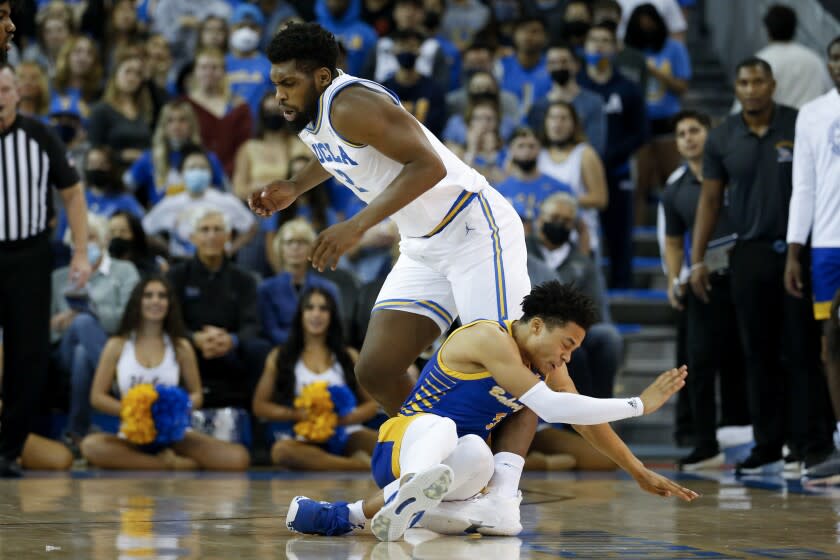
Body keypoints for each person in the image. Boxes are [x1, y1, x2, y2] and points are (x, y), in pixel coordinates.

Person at [251, 22, 534, 531]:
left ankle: (502, 495)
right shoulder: (315, 113)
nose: (278, 95)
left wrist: (357, 225)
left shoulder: (351, 102)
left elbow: (429, 166)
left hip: (474, 230)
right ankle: (442, 474)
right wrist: (295, 186)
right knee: (378, 369)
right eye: (274, 84)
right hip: (425, 246)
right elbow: (340, 152)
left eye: (287, 84)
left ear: (321, 76)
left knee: (513, 363)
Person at [285, 282, 698, 542]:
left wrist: (638, 471)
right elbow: (554, 405)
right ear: (536, 326)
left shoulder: (546, 364)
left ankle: (452, 507)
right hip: (402, 445)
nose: (567, 356)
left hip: (453, 472)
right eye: (567, 344)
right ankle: (389, 501)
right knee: (448, 426)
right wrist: (638, 404)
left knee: (480, 453)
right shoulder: (489, 337)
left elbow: (579, 417)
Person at [691, 57, 834, 474]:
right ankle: (769, 443)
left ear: (772, 85)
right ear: (736, 88)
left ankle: (813, 443)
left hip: (799, 249)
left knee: (804, 349)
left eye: (758, 81)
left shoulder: (800, 122)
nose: (751, 88)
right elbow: (711, 200)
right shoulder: (722, 137)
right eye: (744, 82)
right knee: (757, 353)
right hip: (748, 253)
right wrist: (697, 259)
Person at [0, 56, 91, 479]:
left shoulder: (40, 135)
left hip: (29, 254)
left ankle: (10, 449)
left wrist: (80, 251)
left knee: (29, 352)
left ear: (18, 92)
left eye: (4, 90)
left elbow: (72, 194)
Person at [80, 276, 250, 471]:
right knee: (91, 446)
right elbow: (97, 397)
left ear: (170, 303)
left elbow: (197, 395)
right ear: (138, 301)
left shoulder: (181, 346)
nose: (155, 301)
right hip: (133, 433)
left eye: (162, 296)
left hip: (174, 434)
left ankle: (151, 462)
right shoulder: (117, 345)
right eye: (148, 295)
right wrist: (135, 412)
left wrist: (174, 410)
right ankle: (169, 465)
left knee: (239, 458)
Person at [662, 110, 748, 470]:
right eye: (681, 133)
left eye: (695, 130)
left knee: (756, 357)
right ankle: (705, 443)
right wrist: (672, 278)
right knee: (698, 364)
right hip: (702, 280)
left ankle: (771, 439)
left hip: (744, 272)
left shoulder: (735, 173)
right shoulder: (674, 189)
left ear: (709, 133)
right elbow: (672, 241)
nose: (688, 138)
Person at [785, 36, 840, 479]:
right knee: (831, 346)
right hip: (826, 245)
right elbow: (803, 186)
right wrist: (793, 249)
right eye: (835, 56)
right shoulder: (813, 113)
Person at [253, 287, 379, 470]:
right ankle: (355, 466)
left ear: (332, 315)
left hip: (347, 432)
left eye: (323, 309)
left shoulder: (348, 355)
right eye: (310, 308)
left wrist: (337, 420)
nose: (316, 314)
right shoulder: (281, 355)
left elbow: (371, 405)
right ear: (301, 314)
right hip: (305, 436)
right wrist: (298, 414)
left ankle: (330, 463)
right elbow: (260, 406)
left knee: (387, 444)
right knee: (281, 451)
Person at [51, 212, 140, 447]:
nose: (83, 244)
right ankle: (116, 381)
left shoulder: (125, 271)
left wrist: (90, 311)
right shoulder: (58, 278)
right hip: (63, 352)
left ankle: (77, 431)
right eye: (76, 239)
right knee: (79, 330)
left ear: (104, 241)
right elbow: (46, 329)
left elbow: (128, 320)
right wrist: (60, 324)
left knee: (83, 350)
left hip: (114, 347)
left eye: (89, 237)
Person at [167, 208, 270, 409]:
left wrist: (231, 340)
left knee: (259, 348)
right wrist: (194, 338)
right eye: (204, 230)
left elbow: (252, 324)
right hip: (190, 349)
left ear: (228, 236)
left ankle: (258, 418)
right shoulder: (175, 277)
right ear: (192, 237)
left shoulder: (245, 280)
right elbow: (170, 321)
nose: (211, 236)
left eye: (217, 230)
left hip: (231, 351)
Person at [578, 22, 648, 289]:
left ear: (615, 48)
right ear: (584, 48)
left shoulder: (629, 88)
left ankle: (622, 286)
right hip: (581, 173)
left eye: (605, 40)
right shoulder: (578, 86)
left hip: (617, 171)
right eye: (593, 39)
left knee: (620, 233)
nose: (599, 45)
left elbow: (640, 133)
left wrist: (608, 156)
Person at [624, 3, 690, 226]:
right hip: (636, 121)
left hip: (666, 120)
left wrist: (654, 72)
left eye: (650, 25)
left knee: (670, 181)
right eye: (641, 26)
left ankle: (676, 231)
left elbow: (682, 86)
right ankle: (635, 235)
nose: (646, 30)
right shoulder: (628, 53)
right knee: (639, 183)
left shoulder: (674, 48)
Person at [142, 144, 257, 259]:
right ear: (182, 173)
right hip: (182, 262)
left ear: (210, 173)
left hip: (217, 261)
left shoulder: (226, 201)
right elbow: (145, 228)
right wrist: (168, 250)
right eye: (192, 168)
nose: (197, 171)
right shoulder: (170, 203)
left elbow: (251, 226)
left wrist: (231, 250)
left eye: (202, 168)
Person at [259, 219, 341, 345]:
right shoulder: (266, 289)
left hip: (322, 349)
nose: (295, 247)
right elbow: (271, 330)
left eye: (302, 242)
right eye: (289, 242)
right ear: (280, 248)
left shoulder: (328, 289)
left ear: (312, 248)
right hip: (282, 350)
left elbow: (335, 329)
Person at [739, 4, 831, 111]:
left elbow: (747, 102)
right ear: (795, 28)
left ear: (767, 30)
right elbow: (829, 94)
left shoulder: (758, 62)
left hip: (774, 125)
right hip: (810, 124)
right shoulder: (814, 60)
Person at [526, 42, 607, 158]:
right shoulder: (538, 107)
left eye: (564, 61)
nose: (558, 67)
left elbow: (596, 147)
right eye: (553, 63)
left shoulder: (594, 102)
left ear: (576, 65)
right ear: (547, 67)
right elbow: (536, 147)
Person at [496, 127, 574, 225]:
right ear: (511, 150)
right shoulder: (499, 192)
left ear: (539, 149)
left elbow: (580, 227)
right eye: (521, 146)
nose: (526, 151)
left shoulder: (559, 188)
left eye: (531, 146)